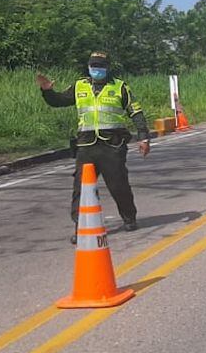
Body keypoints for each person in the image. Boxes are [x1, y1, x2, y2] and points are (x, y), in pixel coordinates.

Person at [36, 51, 150, 241]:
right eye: (93, 66)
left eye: (100, 66)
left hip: (112, 145)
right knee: (81, 188)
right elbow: (59, 101)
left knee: (118, 184)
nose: (97, 70)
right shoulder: (79, 86)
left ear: (107, 68)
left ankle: (129, 217)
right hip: (86, 146)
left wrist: (144, 137)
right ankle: (81, 227)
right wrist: (47, 91)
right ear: (88, 67)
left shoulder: (120, 87)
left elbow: (135, 112)